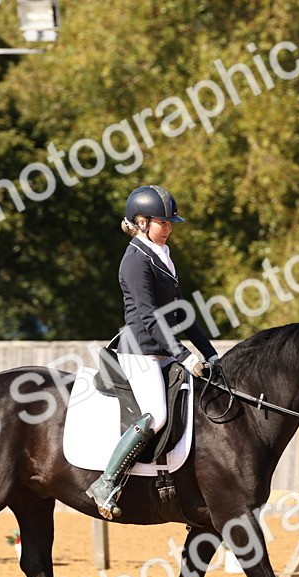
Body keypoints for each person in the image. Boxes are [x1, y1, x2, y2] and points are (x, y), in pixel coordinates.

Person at [86, 185, 219, 520]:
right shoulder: (134, 260)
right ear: (142, 222)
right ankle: (106, 481)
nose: (170, 227)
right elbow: (149, 317)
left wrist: (209, 352)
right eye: (164, 222)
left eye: (171, 222)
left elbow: (179, 310)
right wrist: (182, 353)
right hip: (140, 352)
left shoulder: (162, 255)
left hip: (163, 350)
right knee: (156, 415)